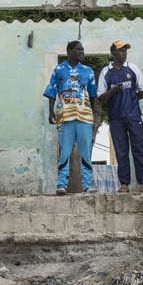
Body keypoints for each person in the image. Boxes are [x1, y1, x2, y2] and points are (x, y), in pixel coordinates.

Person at [43, 41, 98, 195]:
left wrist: (91, 113)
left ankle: (87, 185)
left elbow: (92, 94)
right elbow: (52, 91)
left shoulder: (88, 71)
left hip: (84, 116)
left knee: (85, 152)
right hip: (64, 115)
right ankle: (61, 185)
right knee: (64, 151)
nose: (82, 52)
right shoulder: (59, 69)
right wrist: (51, 111)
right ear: (69, 51)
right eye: (79, 49)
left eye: (83, 49)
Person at [97, 40, 143, 193]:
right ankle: (124, 184)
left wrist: (131, 100)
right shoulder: (106, 72)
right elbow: (101, 97)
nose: (124, 53)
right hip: (116, 118)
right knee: (121, 152)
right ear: (113, 53)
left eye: (125, 51)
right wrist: (114, 91)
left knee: (138, 149)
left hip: (133, 116)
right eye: (120, 51)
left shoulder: (133, 68)